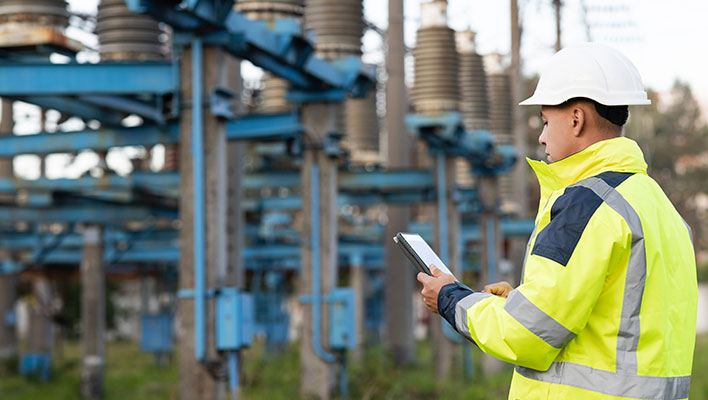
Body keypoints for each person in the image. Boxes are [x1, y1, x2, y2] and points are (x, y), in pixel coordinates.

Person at [417, 43, 697, 400]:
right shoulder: (658, 205)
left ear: (576, 119)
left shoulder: (588, 205)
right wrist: (521, 299)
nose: (542, 136)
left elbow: (524, 334)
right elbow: (621, 320)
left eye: (547, 121)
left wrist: (450, 298)